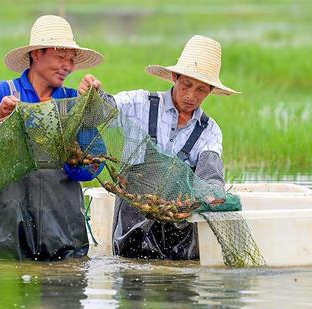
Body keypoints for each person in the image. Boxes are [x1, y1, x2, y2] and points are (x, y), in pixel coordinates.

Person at [78, 35, 239, 260]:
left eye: (201, 90)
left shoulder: (209, 131)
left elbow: (210, 174)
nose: (192, 96)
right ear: (175, 77)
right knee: (131, 281)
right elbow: (102, 111)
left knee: (179, 282)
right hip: (131, 223)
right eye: (187, 85)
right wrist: (92, 94)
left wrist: (212, 194)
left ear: (210, 90)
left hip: (179, 229)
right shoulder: (139, 104)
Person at [0, 15, 104, 261]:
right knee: (4, 286)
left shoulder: (72, 102)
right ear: (37, 54)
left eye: (71, 60)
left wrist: (87, 110)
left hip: (62, 232)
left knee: (64, 293)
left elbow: (94, 164)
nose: (67, 66)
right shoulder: (3, 93)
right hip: (5, 231)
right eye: (60, 57)